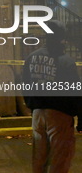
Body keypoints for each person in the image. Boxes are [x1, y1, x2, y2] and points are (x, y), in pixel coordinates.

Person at [23, 20, 82, 173]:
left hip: (37, 115)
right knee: (59, 161)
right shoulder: (66, 62)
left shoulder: (31, 58)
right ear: (61, 38)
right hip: (60, 115)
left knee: (39, 160)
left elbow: (25, 84)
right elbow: (75, 92)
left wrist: (32, 105)